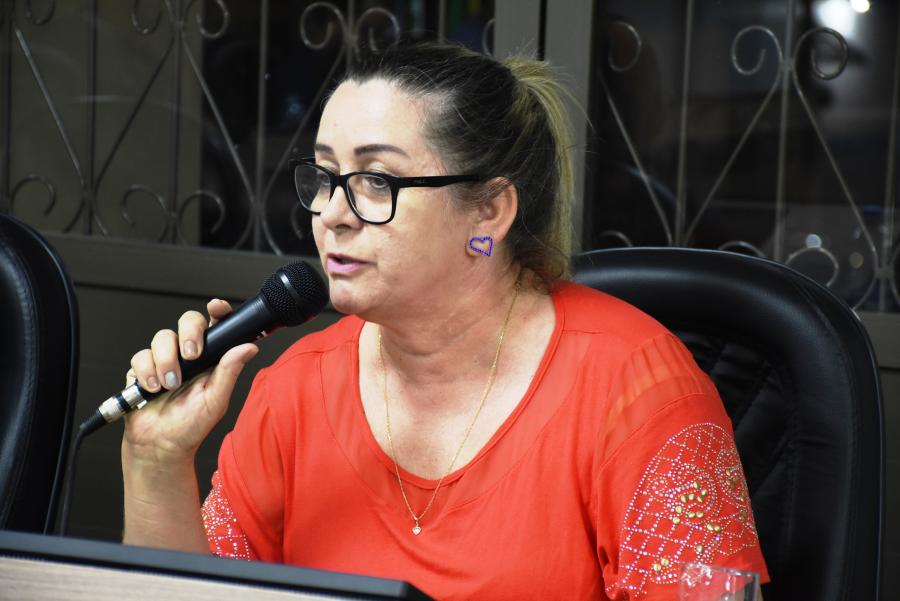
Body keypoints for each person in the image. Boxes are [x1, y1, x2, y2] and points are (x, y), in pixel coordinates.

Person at [120, 42, 768, 600]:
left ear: (489, 211)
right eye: (325, 176)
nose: (331, 214)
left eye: (377, 180)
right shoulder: (295, 389)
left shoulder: (636, 391)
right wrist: (156, 461)